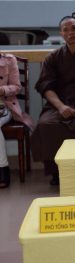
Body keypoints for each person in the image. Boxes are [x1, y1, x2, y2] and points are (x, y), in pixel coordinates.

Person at [31, 16, 75, 185]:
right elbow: (45, 86)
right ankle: (57, 172)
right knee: (46, 124)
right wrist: (61, 107)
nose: (71, 32)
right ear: (61, 34)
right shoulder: (52, 57)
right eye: (66, 30)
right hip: (60, 102)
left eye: (74, 28)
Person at [0, 53, 36, 188]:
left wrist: (2, 90)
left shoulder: (9, 60)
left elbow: (17, 87)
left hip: (4, 105)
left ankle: (2, 170)